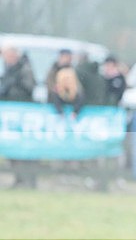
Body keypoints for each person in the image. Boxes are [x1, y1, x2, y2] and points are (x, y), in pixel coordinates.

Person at [0, 45, 37, 188]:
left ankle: (29, 179)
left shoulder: (24, 69)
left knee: (26, 148)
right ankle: (19, 178)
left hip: (22, 115)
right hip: (9, 117)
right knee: (12, 148)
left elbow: (29, 89)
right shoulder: (8, 70)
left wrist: (13, 88)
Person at [46, 48, 84, 117]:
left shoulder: (73, 70)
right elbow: (49, 84)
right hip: (55, 101)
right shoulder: (53, 70)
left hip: (70, 100)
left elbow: (79, 89)